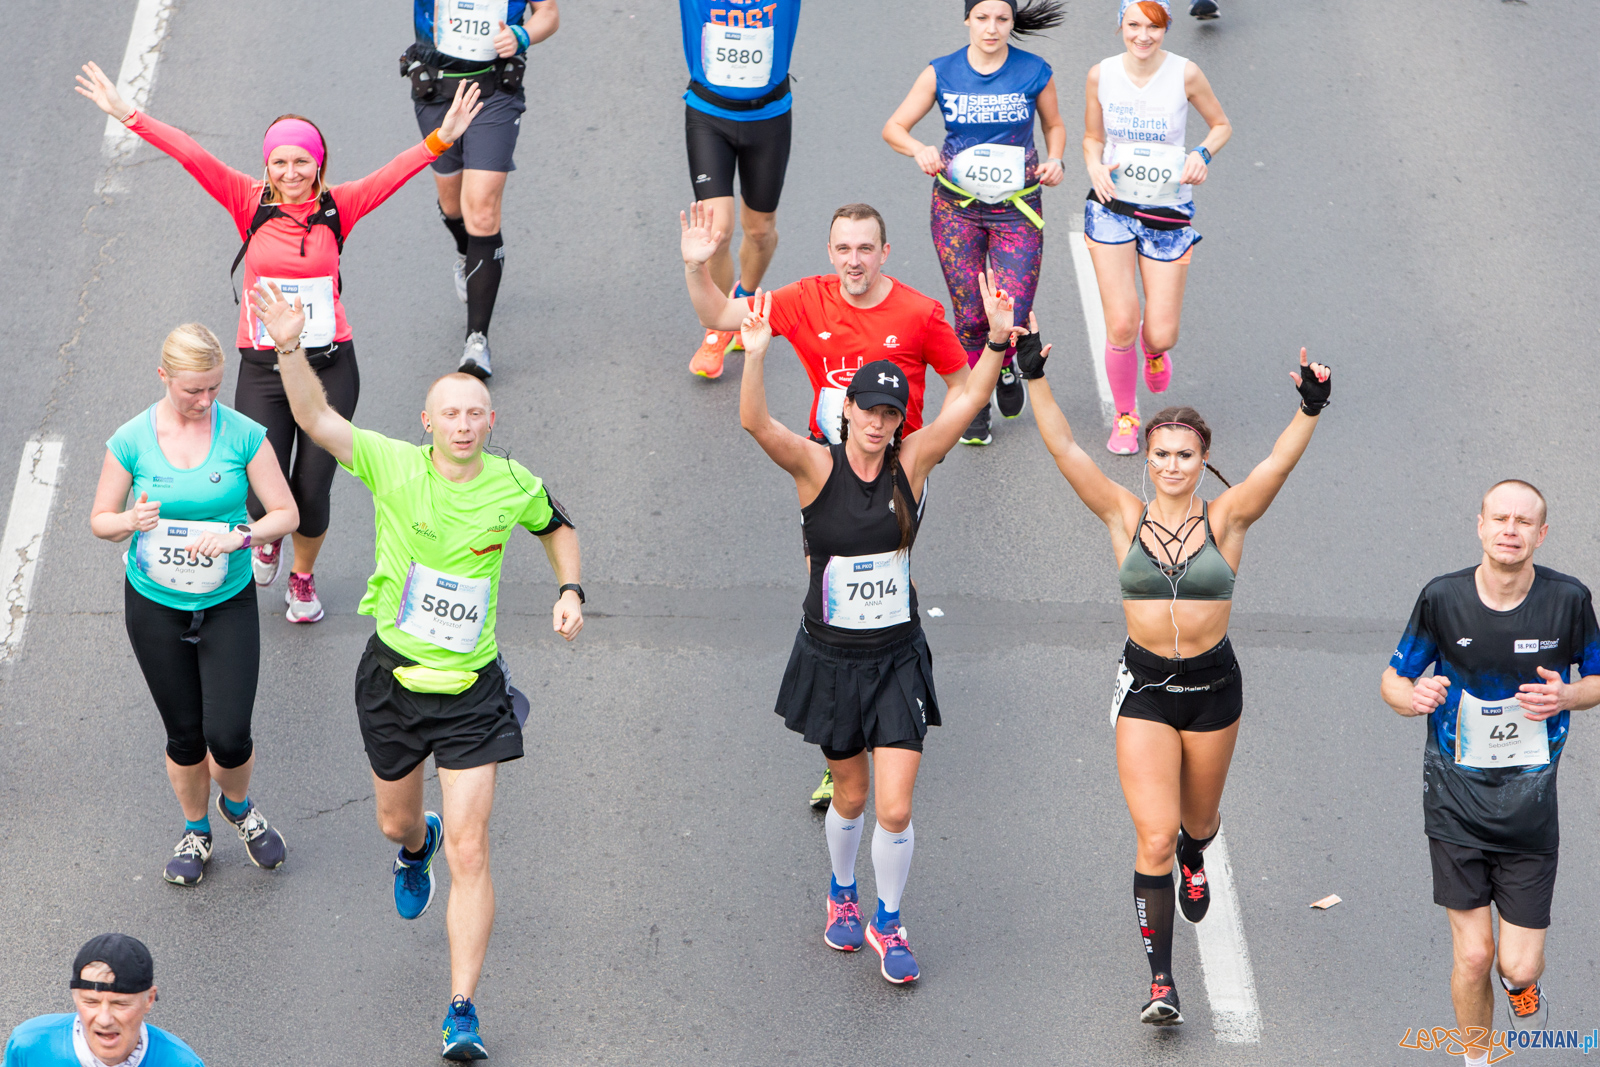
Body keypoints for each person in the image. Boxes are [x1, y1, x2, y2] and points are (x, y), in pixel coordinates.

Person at [251, 282, 583, 1061]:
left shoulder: (513, 484)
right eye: (450, 413)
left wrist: (570, 588)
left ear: (490, 422)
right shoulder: (394, 465)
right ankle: (413, 845)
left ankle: (462, 1008)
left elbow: (558, 527)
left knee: (472, 850)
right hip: (393, 682)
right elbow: (316, 419)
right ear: (427, 422)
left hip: (473, 694)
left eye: (475, 413)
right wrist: (291, 347)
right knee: (397, 823)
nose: (463, 424)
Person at [76, 61, 482, 625]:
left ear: (319, 165)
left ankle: (302, 575)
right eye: (280, 162)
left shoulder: (339, 205)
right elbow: (190, 153)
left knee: (312, 489)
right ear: (266, 165)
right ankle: (266, 536)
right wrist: (128, 114)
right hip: (264, 367)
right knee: (257, 485)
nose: (291, 172)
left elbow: (394, 172)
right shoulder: (248, 200)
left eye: (301, 162)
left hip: (329, 367)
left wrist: (442, 138)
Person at [1022, 339, 1330, 1024]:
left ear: (1202, 458)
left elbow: (1276, 464)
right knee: (1154, 836)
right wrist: (1034, 375)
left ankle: (1198, 852)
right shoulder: (1121, 515)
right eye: (1160, 454)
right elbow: (1066, 450)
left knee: (1197, 822)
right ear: (1148, 459)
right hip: (1146, 690)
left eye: (1184, 455)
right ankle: (1162, 981)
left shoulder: (1228, 517)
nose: (1170, 465)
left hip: (1215, 689)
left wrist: (1310, 407)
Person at [739, 274, 1018, 985]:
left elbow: (967, 402)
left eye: (890, 412)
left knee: (894, 806)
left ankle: (888, 922)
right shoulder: (815, 466)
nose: (878, 421)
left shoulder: (912, 462)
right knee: (853, 796)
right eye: (868, 408)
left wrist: (995, 340)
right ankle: (842, 892)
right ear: (848, 409)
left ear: (899, 420)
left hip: (896, 656)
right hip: (832, 656)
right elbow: (756, 424)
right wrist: (755, 354)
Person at [684, 201, 971, 808]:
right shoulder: (806, 299)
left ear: (885, 252)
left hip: (896, 469)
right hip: (828, 470)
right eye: (843, 249)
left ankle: (891, 711)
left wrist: (926, 447)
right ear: (830, 252)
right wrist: (696, 267)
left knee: (886, 579)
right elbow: (720, 315)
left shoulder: (918, 313)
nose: (854, 261)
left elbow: (963, 383)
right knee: (828, 586)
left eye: (865, 249)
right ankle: (842, 748)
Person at [1380, 481, 1600, 1066]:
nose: (1510, 529)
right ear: (1480, 525)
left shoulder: (1568, 600)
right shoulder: (1442, 598)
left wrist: (1568, 695)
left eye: (1523, 522)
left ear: (1541, 534)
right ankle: (1477, 1061)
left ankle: (1521, 985)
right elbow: (1393, 680)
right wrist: (1412, 697)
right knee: (1474, 955)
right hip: (1454, 802)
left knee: (1517, 965)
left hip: (1530, 812)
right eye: (1500, 518)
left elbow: (1597, 679)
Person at [89, 324, 299, 887]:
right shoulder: (131, 439)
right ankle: (196, 830)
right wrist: (129, 520)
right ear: (164, 377)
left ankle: (239, 807)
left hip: (226, 600)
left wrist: (242, 536)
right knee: (184, 734)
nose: (205, 401)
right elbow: (100, 520)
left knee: (228, 736)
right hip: (155, 604)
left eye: (214, 388)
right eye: (192, 391)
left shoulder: (243, 435)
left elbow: (287, 513)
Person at [883, 0, 1066, 446]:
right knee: (969, 317)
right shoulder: (941, 72)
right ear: (967, 18)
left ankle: (1003, 365)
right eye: (982, 17)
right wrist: (918, 149)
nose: (991, 28)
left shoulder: (1034, 70)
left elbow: (1055, 125)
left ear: (1012, 21)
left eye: (1002, 19)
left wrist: (1057, 158)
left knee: (1011, 312)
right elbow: (894, 127)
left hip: (1017, 209)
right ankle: (976, 403)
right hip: (956, 209)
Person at [1082, 0, 1230, 454]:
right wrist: (1094, 165)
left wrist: (1201, 154)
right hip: (1112, 206)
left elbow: (1220, 126)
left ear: (1167, 27)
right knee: (1121, 323)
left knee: (1161, 333)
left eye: (1154, 26)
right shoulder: (1101, 74)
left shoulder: (1185, 73)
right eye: (1133, 25)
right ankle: (1126, 415)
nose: (1143, 36)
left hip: (1168, 210)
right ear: (1120, 25)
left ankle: (1153, 351)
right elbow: (1092, 137)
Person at [403, 0, 561, 379]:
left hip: (494, 90)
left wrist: (522, 35)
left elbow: (549, 13)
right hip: (435, 87)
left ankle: (477, 340)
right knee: (452, 205)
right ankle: (466, 252)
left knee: (482, 211)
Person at [679, 0, 803, 379]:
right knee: (716, 232)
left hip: (769, 119)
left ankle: (744, 298)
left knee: (760, 230)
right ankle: (719, 327)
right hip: (708, 115)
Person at [3, 934, 203, 1066]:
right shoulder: (29, 1046)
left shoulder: (182, 1063)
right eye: (91, 1002)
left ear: (149, 1000)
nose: (104, 1020)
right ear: (75, 996)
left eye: (120, 1004)